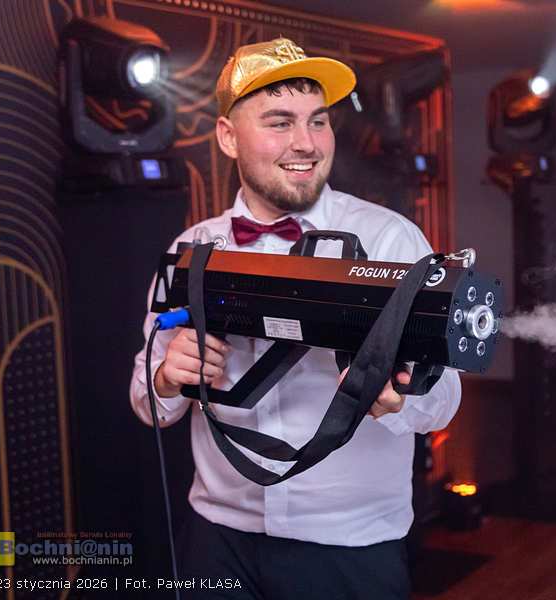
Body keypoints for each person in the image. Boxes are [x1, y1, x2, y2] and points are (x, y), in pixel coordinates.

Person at [129, 38, 461, 600]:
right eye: (280, 122)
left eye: (318, 121)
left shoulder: (390, 239)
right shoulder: (191, 248)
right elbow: (147, 403)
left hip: (350, 547)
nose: (306, 143)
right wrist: (167, 377)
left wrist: (401, 397)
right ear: (228, 137)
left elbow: (445, 398)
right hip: (216, 538)